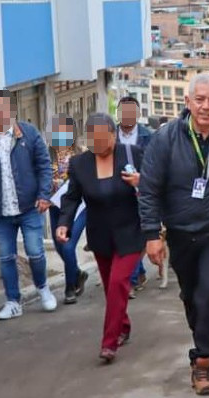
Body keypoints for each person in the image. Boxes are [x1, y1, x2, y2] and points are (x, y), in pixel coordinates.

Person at [139, 73, 209, 395]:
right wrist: (151, 234)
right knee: (192, 295)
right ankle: (203, 338)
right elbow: (148, 190)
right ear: (187, 102)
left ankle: (202, 361)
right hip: (180, 232)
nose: (206, 106)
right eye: (199, 99)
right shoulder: (165, 139)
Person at [56, 113, 144, 362]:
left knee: (118, 283)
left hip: (130, 231)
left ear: (113, 136)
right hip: (100, 235)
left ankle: (109, 343)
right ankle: (123, 326)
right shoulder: (79, 164)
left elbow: (156, 184)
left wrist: (141, 181)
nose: (99, 146)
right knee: (110, 288)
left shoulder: (133, 154)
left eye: (104, 141)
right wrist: (64, 224)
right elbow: (72, 197)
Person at [0, 90, 56, 320]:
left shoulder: (29, 134)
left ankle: (43, 288)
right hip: (0, 211)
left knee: (35, 252)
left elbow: (44, 167)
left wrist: (44, 195)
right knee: (5, 257)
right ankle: (13, 301)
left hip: (30, 207)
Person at [47, 114, 89, 304]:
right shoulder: (46, 155)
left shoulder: (81, 155)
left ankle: (69, 287)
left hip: (78, 208)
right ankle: (78, 273)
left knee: (68, 245)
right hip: (54, 208)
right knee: (59, 247)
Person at [116, 96, 153, 298]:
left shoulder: (149, 137)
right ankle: (134, 276)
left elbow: (156, 165)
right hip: (118, 193)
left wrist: (144, 180)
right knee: (127, 236)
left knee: (138, 236)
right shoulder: (111, 135)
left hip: (142, 192)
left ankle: (133, 277)